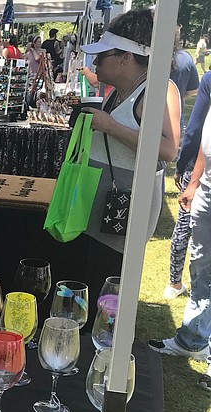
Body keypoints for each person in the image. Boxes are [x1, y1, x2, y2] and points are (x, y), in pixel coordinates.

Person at [79, 8, 181, 255]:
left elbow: (168, 149)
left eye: (102, 56)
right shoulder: (117, 91)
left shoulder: (159, 90)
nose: (95, 63)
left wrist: (110, 126)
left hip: (122, 218)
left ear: (126, 57)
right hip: (97, 215)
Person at [149, 74, 211, 367]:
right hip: (207, 186)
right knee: (200, 265)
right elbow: (202, 134)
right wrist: (195, 181)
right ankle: (193, 338)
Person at [165, 29, 201, 300]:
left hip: (197, 160)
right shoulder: (188, 60)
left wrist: (182, 164)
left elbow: (196, 127)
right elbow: (191, 92)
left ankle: (175, 282)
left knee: (185, 222)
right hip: (176, 130)